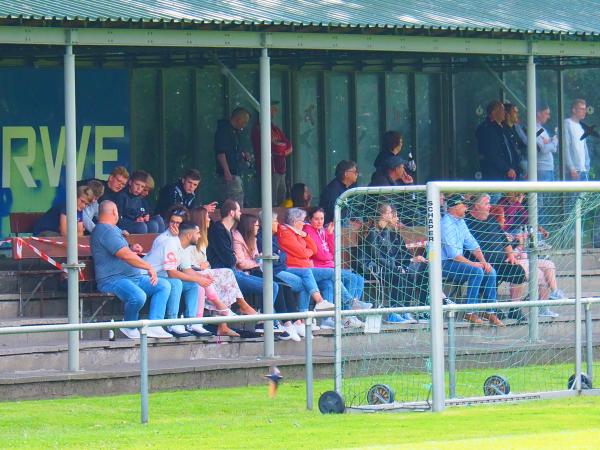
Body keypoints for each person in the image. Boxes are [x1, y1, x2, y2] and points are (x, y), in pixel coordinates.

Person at [90, 200, 172, 339]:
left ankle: (155, 325)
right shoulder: (104, 230)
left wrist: (132, 247)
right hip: (112, 280)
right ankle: (130, 325)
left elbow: (123, 249)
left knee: (163, 285)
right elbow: (125, 255)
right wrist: (148, 266)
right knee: (138, 296)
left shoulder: (113, 229)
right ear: (115, 212)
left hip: (133, 278)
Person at [188, 206, 255, 337]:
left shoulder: (203, 238)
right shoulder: (191, 237)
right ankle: (237, 308)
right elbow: (186, 262)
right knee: (227, 274)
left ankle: (224, 323)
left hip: (203, 271)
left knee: (226, 274)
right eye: (207, 216)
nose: (209, 219)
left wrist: (206, 263)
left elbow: (207, 260)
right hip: (192, 274)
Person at [234, 213, 301, 340]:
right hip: (247, 273)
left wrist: (258, 259)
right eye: (256, 225)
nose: (258, 228)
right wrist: (257, 261)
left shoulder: (253, 237)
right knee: (275, 286)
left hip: (258, 270)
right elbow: (242, 263)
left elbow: (280, 256)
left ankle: (292, 322)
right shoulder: (240, 238)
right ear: (249, 226)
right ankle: (270, 321)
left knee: (284, 285)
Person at [207, 200, 280, 314]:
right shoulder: (218, 230)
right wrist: (233, 257)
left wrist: (233, 257)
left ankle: (267, 322)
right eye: (238, 210)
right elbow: (229, 259)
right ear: (232, 213)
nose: (240, 213)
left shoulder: (228, 230)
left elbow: (232, 257)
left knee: (273, 285)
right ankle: (266, 323)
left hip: (233, 272)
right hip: (225, 273)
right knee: (271, 287)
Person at [490, 205, 563, 318]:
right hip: (510, 264)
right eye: (503, 217)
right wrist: (517, 245)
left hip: (522, 260)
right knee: (541, 276)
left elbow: (521, 252)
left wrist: (521, 244)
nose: (505, 220)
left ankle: (554, 293)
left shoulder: (506, 234)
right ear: (496, 218)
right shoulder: (493, 234)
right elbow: (502, 255)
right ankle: (519, 308)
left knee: (549, 264)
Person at [144, 220, 215, 338]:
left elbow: (187, 269)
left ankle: (192, 323)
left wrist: (201, 277)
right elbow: (172, 273)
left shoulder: (185, 247)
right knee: (177, 283)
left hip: (163, 278)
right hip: (146, 277)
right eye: (197, 233)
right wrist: (197, 279)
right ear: (189, 235)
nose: (200, 236)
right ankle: (172, 323)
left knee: (192, 285)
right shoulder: (171, 243)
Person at [441, 194, 503, 327]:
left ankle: (490, 311)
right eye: (464, 205)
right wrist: (474, 263)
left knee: (490, 271)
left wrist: (484, 262)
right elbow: (453, 255)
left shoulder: (460, 221)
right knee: (476, 271)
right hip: (443, 264)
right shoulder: (446, 224)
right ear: (455, 207)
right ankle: (469, 312)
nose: (467, 208)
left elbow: (472, 243)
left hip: (456, 263)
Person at [465, 194, 528, 322]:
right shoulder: (466, 222)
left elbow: (505, 241)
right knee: (489, 271)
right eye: (487, 204)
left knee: (518, 271)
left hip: (499, 261)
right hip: (477, 263)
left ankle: (514, 309)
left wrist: (510, 255)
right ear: (477, 206)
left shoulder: (492, 220)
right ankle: (491, 307)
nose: (490, 207)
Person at [361, 203, 427, 324]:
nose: (394, 216)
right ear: (383, 215)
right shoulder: (372, 233)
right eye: (391, 213)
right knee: (399, 273)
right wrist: (396, 268)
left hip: (389, 267)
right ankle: (393, 313)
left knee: (408, 271)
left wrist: (408, 262)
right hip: (374, 269)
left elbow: (398, 255)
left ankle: (404, 310)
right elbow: (377, 258)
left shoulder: (389, 232)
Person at [303, 207, 369, 313]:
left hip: (328, 267)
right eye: (316, 219)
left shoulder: (323, 231)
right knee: (351, 278)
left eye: (322, 218)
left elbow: (333, 251)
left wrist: (329, 234)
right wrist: (328, 256)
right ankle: (348, 310)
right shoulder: (308, 231)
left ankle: (350, 313)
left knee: (359, 279)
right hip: (318, 268)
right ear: (310, 219)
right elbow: (319, 254)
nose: (320, 222)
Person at [276, 208, 340, 316]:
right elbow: (304, 253)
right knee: (331, 273)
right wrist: (307, 251)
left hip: (303, 267)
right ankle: (348, 302)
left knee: (328, 284)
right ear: (295, 221)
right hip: (293, 268)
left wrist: (305, 236)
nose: (304, 224)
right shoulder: (286, 232)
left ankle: (326, 318)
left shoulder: (298, 233)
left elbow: (313, 249)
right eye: (303, 221)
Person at [251, 100, 293, 206]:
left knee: (281, 200)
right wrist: (281, 148)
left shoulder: (275, 129)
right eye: (272, 109)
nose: (275, 111)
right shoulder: (259, 128)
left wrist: (281, 149)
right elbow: (272, 147)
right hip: (269, 169)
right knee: (270, 202)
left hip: (281, 169)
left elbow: (289, 146)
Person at [214, 108, 251, 205]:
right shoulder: (224, 131)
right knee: (234, 202)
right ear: (238, 119)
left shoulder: (235, 132)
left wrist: (243, 154)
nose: (244, 125)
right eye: (244, 122)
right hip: (229, 174)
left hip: (235, 172)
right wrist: (227, 171)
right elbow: (221, 152)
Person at [476, 100, 520, 182]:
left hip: (508, 175)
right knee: (496, 195)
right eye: (502, 110)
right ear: (493, 112)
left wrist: (513, 168)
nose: (505, 112)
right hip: (495, 177)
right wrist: (506, 169)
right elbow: (492, 154)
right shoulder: (487, 129)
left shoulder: (503, 128)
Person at [564, 98, 590, 181]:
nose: (584, 111)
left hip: (583, 171)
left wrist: (587, 166)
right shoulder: (567, 124)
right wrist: (571, 168)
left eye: (585, 109)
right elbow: (565, 148)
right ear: (574, 110)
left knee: (585, 194)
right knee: (573, 194)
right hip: (573, 172)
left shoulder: (581, 127)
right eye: (582, 109)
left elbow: (584, 149)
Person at [503, 103, 527, 179]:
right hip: (510, 172)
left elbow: (523, 145)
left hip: (519, 169)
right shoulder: (502, 130)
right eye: (515, 112)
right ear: (507, 114)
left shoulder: (516, 129)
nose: (517, 115)